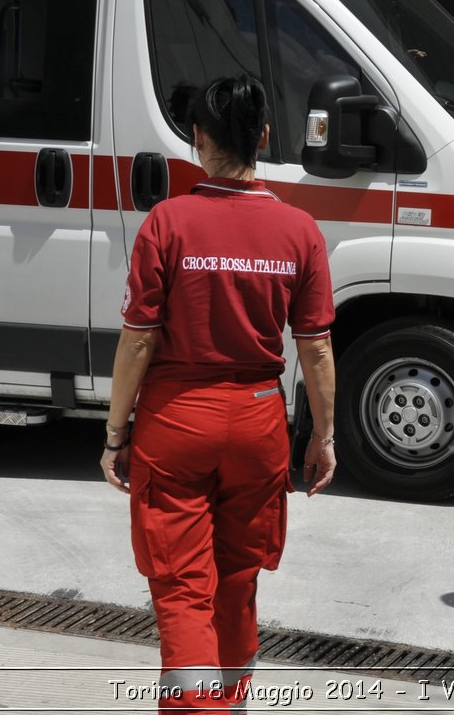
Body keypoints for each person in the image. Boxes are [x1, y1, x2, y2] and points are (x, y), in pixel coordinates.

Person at [101, 74, 337, 714]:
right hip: (259, 419)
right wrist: (322, 437)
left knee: (181, 587)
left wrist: (116, 432)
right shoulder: (300, 231)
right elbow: (315, 346)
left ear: (196, 137)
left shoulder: (167, 222)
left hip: (176, 422)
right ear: (263, 137)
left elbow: (138, 341)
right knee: (236, 581)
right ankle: (227, 703)